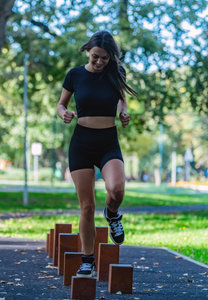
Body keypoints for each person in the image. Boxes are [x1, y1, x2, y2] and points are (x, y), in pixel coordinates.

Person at [56, 31, 136, 278]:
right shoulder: (75, 74)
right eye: (95, 57)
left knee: (117, 189)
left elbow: (122, 101)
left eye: (104, 58)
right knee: (87, 206)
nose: (100, 62)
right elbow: (61, 104)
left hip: (107, 141)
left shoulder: (116, 73)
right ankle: (87, 261)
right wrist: (64, 114)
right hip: (81, 142)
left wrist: (124, 113)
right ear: (88, 51)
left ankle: (112, 214)